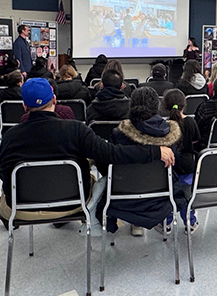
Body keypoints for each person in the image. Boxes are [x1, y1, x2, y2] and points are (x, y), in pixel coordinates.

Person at [0, 78, 174, 225]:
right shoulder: (75, 130)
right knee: (93, 178)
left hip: (21, 207)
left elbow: (4, 172)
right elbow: (113, 154)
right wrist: (154, 152)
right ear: (54, 99)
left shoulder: (10, 137)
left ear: (24, 105)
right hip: (73, 202)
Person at [96, 87, 186, 236]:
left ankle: (134, 221)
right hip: (161, 199)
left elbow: (106, 166)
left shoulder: (119, 134)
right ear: (157, 106)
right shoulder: (170, 135)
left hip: (121, 199)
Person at [158, 88, 201, 234]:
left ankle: (166, 223)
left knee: (168, 196)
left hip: (169, 167)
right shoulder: (190, 122)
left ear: (165, 106)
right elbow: (196, 142)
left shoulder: (163, 125)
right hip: (188, 167)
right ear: (184, 104)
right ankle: (190, 222)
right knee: (186, 197)